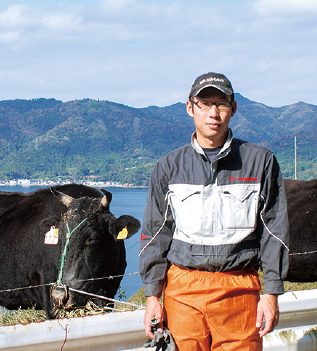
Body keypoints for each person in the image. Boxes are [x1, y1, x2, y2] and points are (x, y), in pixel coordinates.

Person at [139, 72, 289, 351]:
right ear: (190, 107)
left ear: (233, 109)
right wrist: (152, 298)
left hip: (240, 289)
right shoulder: (168, 167)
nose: (213, 113)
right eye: (205, 103)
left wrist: (271, 293)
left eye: (221, 104)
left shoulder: (260, 162)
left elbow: (274, 231)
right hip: (183, 290)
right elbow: (156, 235)